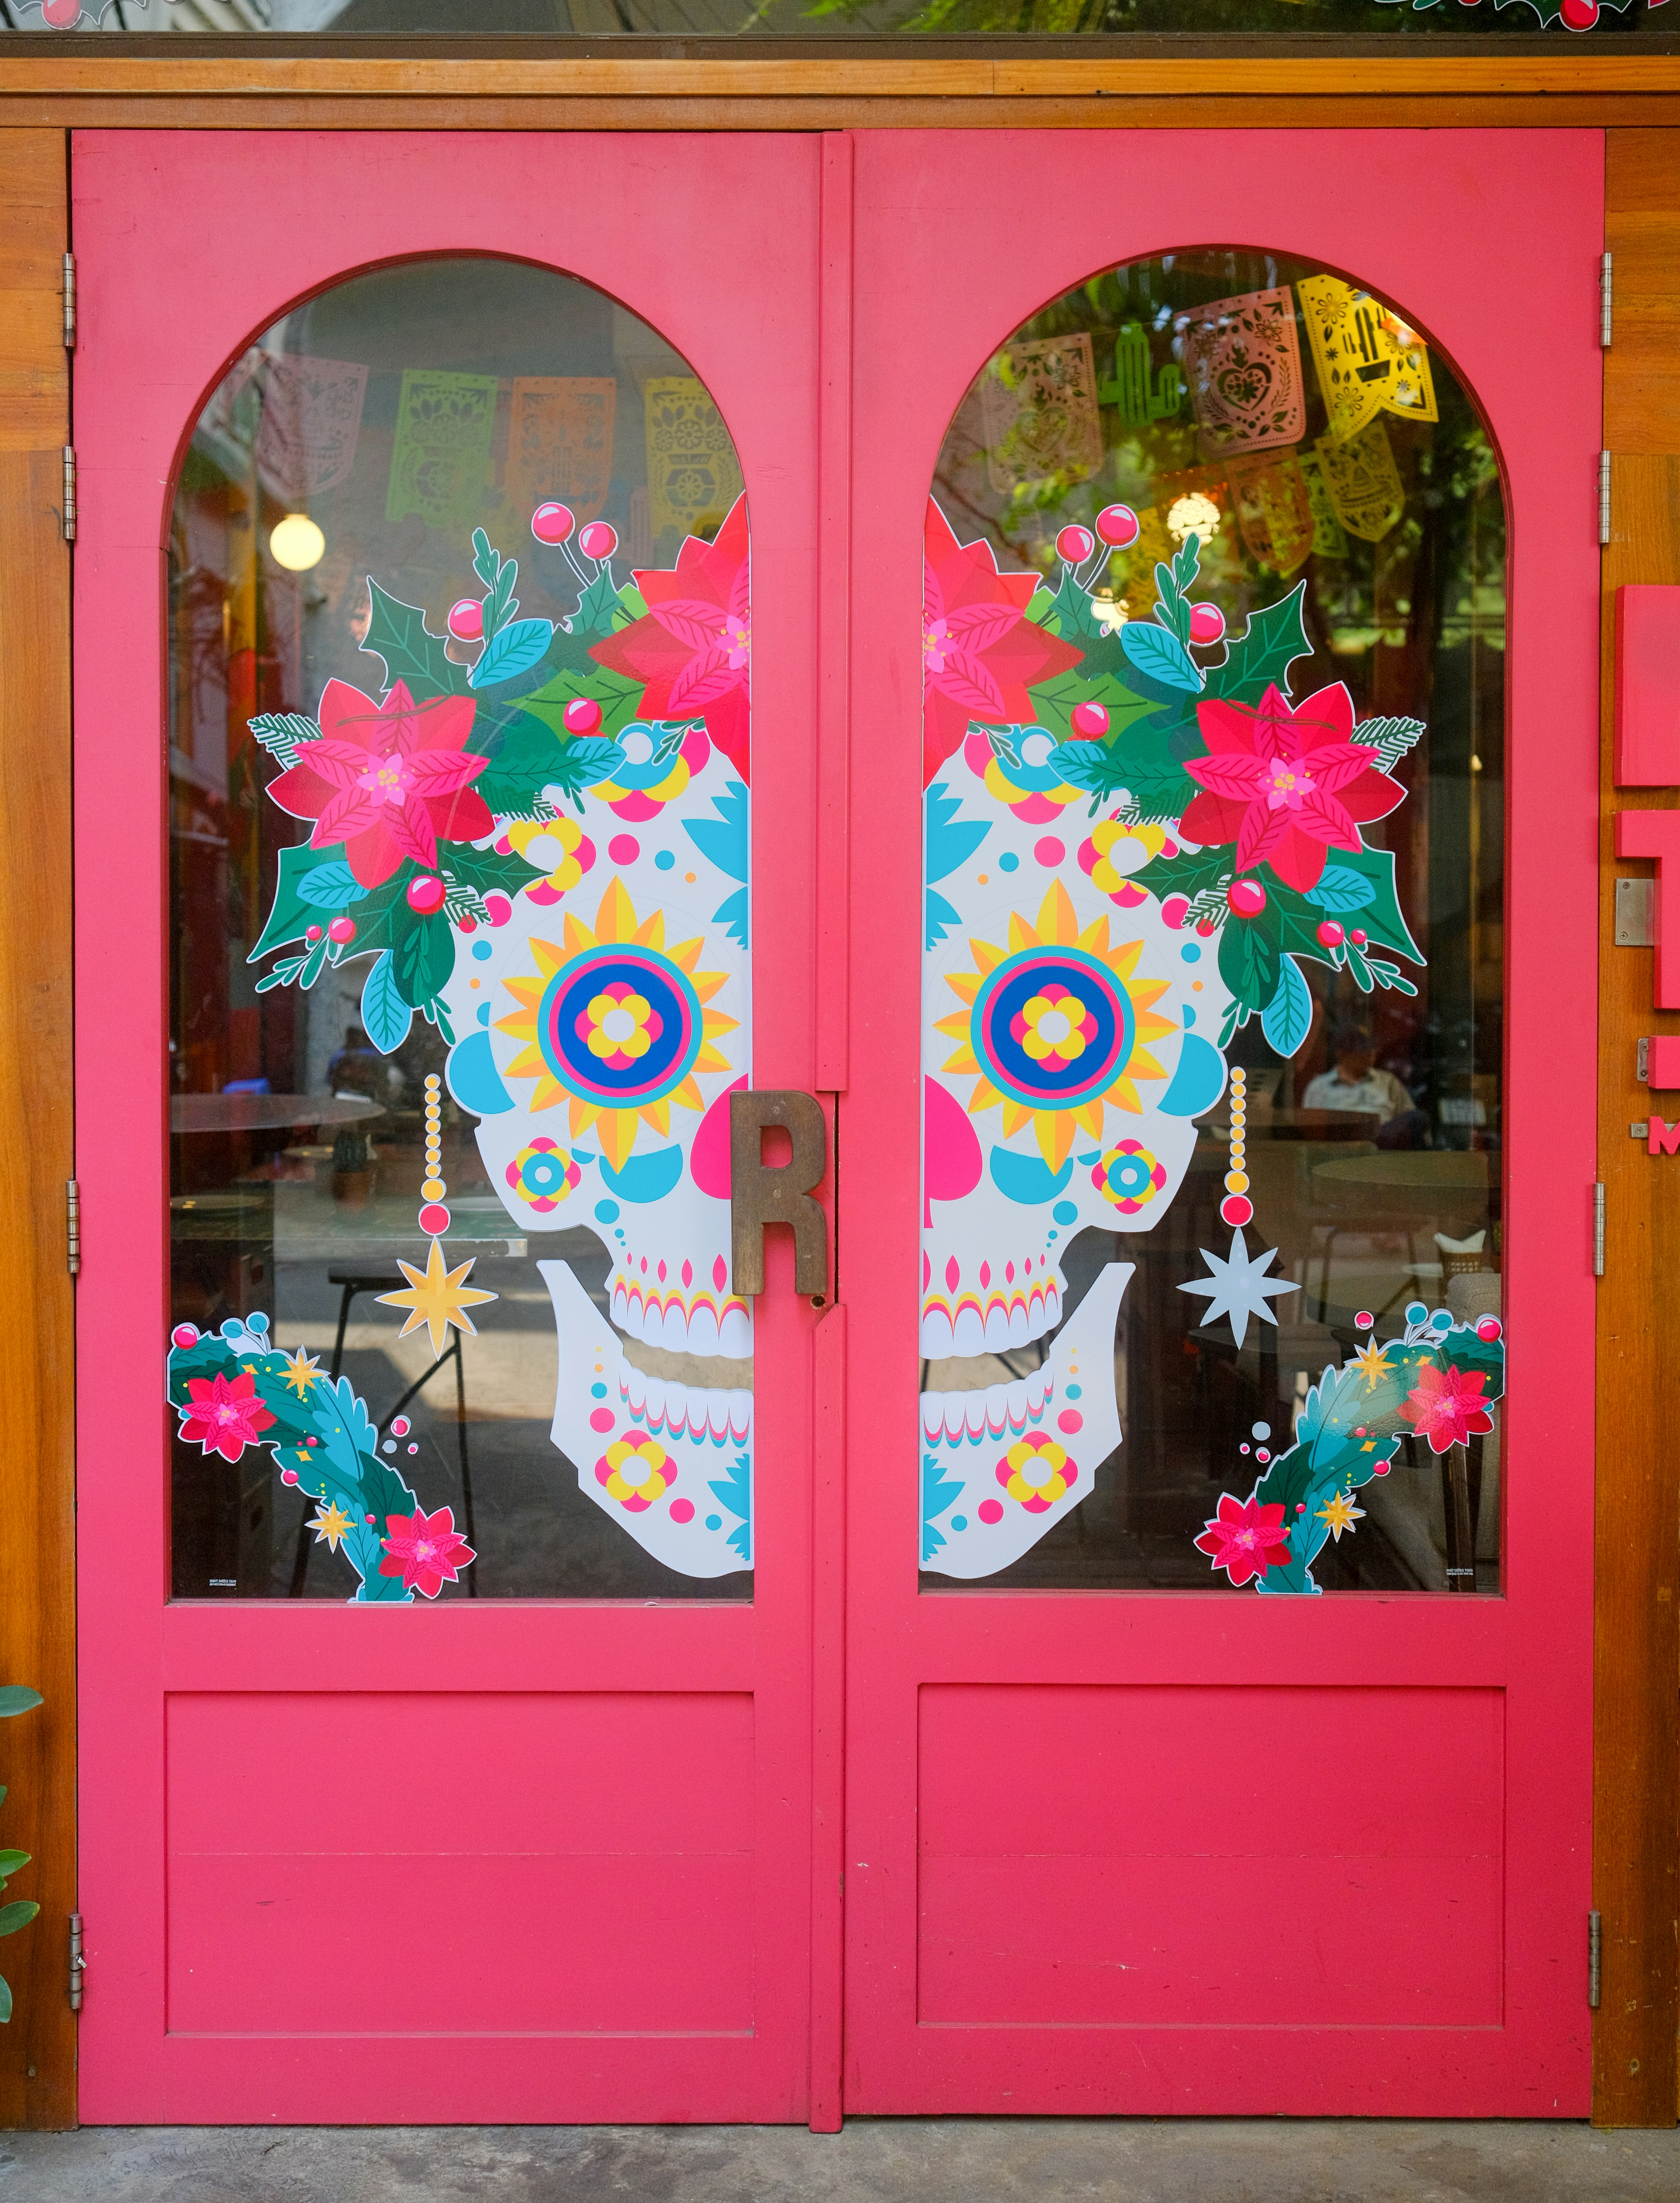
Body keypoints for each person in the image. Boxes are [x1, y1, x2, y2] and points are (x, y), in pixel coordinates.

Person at [1302, 1026, 1414, 1125]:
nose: (1370, 1054)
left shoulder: (1388, 1082)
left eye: (1372, 1047)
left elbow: (1408, 1118)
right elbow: (1312, 1129)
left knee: (1417, 1119)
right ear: (1342, 1054)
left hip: (1382, 1143)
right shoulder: (1320, 1087)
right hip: (1341, 1144)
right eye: (1362, 1050)